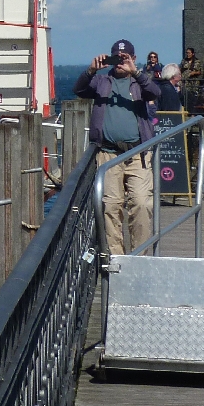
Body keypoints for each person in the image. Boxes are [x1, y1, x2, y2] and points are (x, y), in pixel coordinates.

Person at [74, 39, 162, 256]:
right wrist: (91, 70)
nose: (121, 62)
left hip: (138, 153)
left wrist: (136, 73)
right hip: (108, 154)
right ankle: (116, 259)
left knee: (142, 205)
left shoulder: (139, 82)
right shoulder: (102, 81)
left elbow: (155, 93)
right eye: (117, 57)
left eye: (126, 58)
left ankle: (139, 257)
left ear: (133, 58)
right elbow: (79, 89)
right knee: (111, 207)